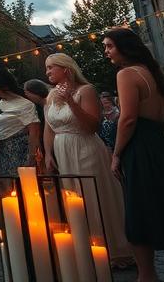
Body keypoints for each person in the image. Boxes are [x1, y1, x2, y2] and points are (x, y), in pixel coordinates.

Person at [104, 27, 164, 282]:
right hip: (163, 147)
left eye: (109, 46)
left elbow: (127, 119)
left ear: (125, 47)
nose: (106, 52)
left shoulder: (126, 74)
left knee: (139, 212)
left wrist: (116, 154)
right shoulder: (154, 73)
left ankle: (147, 276)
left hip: (141, 149)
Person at [44, 52, 132, 267]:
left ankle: (110, 249)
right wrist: (48, 153)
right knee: (73, 199)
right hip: (62, 150)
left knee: (94, 195)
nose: (47, 72)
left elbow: (92, 126)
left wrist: (71, 103)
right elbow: (49, 127)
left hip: (85, 147)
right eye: (46, 68)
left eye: (50, 67)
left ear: (66, 69)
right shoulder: (51, 95)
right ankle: (85, 247)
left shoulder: (86, 90)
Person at [0, 67, 40, 176]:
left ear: (2, 85)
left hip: (20, 149)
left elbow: (34, 132)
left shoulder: (25, 104)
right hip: (2, 151)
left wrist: (31, 157)